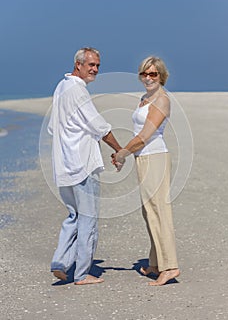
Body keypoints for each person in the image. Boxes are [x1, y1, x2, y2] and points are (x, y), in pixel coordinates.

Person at [48, 47, 122, 285]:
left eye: (98, 66)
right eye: (91, 65)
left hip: (63, 164)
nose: (95, 70)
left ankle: (61, 262)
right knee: (87, 218)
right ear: (78, 64)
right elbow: (99, 126)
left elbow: (52, 128)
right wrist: (118, 150)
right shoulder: (78, 91)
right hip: (82, 165)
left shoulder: (61, 87)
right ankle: (81, 273)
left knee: (73, 215)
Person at [112, 56, 180, 286]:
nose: (149, 78)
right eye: (145, 73)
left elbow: (143, 137)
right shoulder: (144, 98)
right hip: (144, 158)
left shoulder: (161, 100)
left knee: (160, 211)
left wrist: (121, 154)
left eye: (154, 74)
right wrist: (126, 154)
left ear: (162, 76)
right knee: (149, 212)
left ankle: (170, 266)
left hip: (155, 157)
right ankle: (155, 263)